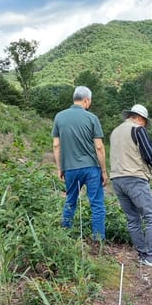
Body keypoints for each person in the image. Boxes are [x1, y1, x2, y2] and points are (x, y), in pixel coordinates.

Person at [109, 104, 152, 266]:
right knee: (151, 216)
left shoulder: (115, 132)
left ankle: (142, 254)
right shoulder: (137, 129)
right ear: (140, 118)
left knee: (133, 219)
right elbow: (148, 153)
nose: (145, 125)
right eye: (145, 122)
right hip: (135, 178)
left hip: (117, 179)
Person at [52, 86, 108, 240]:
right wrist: (103, 171)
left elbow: (56, 145)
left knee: (70, 200)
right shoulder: (92, 118)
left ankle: (65, 236)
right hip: (91, 168)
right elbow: (99, 146)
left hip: (70, 167)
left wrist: (59, 168)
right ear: (86, 100)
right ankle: (98, 239)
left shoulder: (59, 117)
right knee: (97, 204)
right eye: (89, 101)